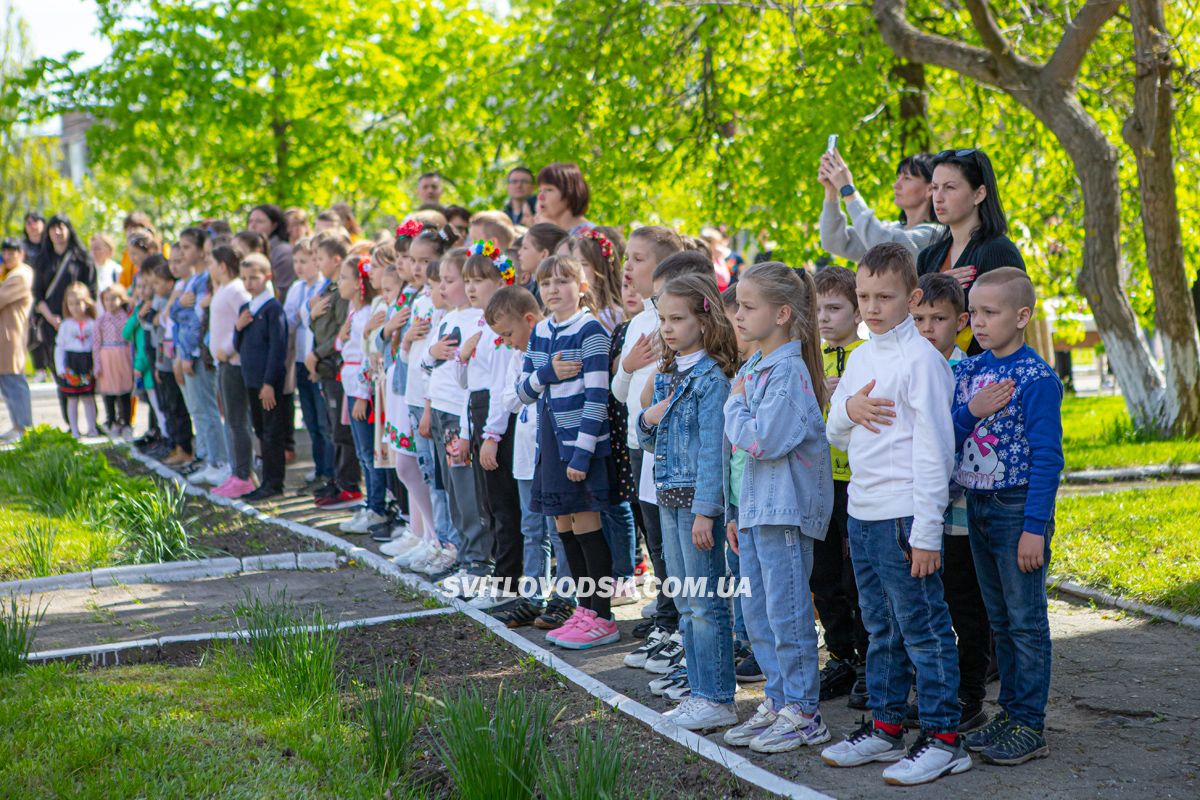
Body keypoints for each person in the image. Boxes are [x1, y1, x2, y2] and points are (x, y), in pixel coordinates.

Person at [822, 242, 969, 786]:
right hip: (862, 512)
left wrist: (928, 531)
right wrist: (850, 409)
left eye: (885, 296)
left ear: (911, 297)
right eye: (863, 296)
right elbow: (835, 427)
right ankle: (885, 726)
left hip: (908, 518)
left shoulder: (923, 362)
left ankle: (944, 738)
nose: (872, 307)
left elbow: (937, 451)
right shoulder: (862, 355)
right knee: (880, 626)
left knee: (924, 628)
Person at [951, 267, 1063, 766]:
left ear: (1022, 317)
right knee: (999, 619)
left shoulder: (1037, 378)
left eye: (989, 312)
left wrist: (1034, 528)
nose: (977, 321)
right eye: (973, 312)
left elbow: (1048, 458)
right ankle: (1010, 713)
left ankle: (1029, 723)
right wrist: (970, 411)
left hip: (1017, 509)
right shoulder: (970, 372)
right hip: (975, 504)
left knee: (1025, 621)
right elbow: (949, 436)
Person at [720, 261, 833, 752]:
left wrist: (733, 405)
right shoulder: (754, 367)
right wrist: (733, 513)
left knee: (786, 615)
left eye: (748, 307)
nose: (738, 317)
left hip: (784, 513)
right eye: (738, 306)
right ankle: (779, 698)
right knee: (759, 614)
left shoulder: (787, 372)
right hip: (756, 513)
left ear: (783, 313)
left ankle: (805, 712)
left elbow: (762, 440)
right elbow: (738, 456)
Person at [637, 273, 739, 731]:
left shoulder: (710, 379)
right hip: (668, 497)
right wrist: (645, 417)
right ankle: (698, 691)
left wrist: (706, 511)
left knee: (705, 601)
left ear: (703, 318)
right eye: (663, 320)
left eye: (677, 319)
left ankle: (718, 696)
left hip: (696, 505)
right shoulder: (668, 373)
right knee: (683, 598)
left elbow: (714, 452)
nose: (668, 328)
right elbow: (651, 441)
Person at [517, 254, 617, 650]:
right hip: (551, 445)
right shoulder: (541, 330)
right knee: (563, 527)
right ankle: (582, 607)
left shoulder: (591, 330)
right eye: (546, 284)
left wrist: (582, 453)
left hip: (579, 447)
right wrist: (547, 374)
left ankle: (602, 613)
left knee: (587, 525)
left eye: (562, 282)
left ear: (582, 286)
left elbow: (597, 397)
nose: (553, 290)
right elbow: (523, 390)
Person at [912, 272, 993, 733]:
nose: (927, 328)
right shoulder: (907, 368)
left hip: (960, 511)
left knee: (965, 603)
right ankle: (935, 689)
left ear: (960, 321)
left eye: (938, 319)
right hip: (921, 510)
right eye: (919, 318)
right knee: (929, 603)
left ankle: (970, 694)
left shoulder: (969, 372)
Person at [612, 226, 684, 640]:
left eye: (638, 259)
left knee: (672, 537)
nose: (628, 267)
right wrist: (628, 363)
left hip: (669, 445)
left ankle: (676, 617)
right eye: (627, 257)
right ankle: (666, 609)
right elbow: (618, 394)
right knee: (653, 535)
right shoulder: (637, 321)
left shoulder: (670, 320)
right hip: (639, 443)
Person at [811, 265, 869, 709]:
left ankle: (871, 662)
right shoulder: (811, 360)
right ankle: (840, 655)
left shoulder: (868, 356)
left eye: (835, 308)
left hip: (858, 481)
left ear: (858, 311)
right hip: (819, 480)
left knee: (857, 578)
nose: (825, 318)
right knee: (823, 573)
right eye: (818, 309)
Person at [458, 241, 523, 607]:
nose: (471, 288)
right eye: (468, 280)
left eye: (480, 279)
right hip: (481, 413)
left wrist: (491, 436)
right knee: (489, 502)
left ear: (501, 280)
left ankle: (509, 581)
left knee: (503, 503)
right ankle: (502, 573)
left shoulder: (501, 327)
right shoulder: (476, 324)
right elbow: (468, 384)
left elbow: (502, 386)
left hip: (499, 420)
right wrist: (463, 358)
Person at [488, 285, 557, 627]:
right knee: (532, 530)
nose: (506, 340)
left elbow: (527, 393)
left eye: (509, 333)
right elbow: (509, 400)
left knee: (558, 531)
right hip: (525, 456)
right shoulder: (517, 356)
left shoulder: (547, 349)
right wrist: (529, 386)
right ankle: (533, 594)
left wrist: (528, 386)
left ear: (529, 320)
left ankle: (567, 596)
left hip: (550, 455)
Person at [919, 148, 1025, 355]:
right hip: (932, 373)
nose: (938, 198)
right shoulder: (928, 257)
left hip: (986, 376)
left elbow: (1009, 325)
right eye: (935, 187)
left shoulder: (998, 251)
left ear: (979, 194)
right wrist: (936, 288)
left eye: (949, 187)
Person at [422, 247, 487, 581]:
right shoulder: (447, 318)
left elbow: (469, 381)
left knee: (466, 491)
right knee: (451, 490)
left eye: (451, 280)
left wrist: (463, 428)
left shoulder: (479, 320)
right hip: (441, 413)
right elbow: (427, 363)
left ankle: (478, 561)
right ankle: (465, 557)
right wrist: (432, 352)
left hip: (459, 418)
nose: (443, 287)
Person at [306, 230, 363, 509]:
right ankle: (339, 479)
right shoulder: (327, 290)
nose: (316, 263)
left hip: (336, 366)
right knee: (332, 428)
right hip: (325, 367)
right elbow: (320, 327)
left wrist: (317, 354)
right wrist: (311, 314)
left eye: (320, 257)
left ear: (337, 259)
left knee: (342, 431)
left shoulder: (341, 293)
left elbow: (342, 332)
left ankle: (349, 484)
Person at [172, 227, 229, 487]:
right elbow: (175, 313)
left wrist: (190, 351)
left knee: (208, 409)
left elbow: (196, 320)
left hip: (199, 353)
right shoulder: (194, 280)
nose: (183, 253)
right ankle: (211, 459)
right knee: (201, 409)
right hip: (191, 351)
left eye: (187, 247)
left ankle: (220, 461)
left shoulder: (204, 281)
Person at [235, 254, 289, 501]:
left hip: (268, 382)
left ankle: (274, 481)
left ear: (267, 277)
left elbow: (278, 349)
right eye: (244, 278)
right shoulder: (246, 309)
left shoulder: (272, 309)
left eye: (254, 278)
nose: (249, 283)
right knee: (260, 430)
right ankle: (265, 479)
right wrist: (239, 327)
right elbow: (239, 346)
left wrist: (269, 383)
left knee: (272, 432)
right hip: (251, 380)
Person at [820, 151, 941, 261]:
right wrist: (831, 191)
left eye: (907, 178)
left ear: (930, 189)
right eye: (898, 177)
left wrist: (848, 190)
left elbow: (885, 248)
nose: (896, 185)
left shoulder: (936, 235)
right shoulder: (892, 229)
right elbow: (833, 242)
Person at [33, 215, 97, 405]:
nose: (58, 232)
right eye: (53, 228)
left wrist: (80, 317)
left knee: (86, 371)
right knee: (61, 372)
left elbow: (91, 291)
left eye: (61, 227)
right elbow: (37, 295)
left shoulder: (82, 259)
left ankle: (92, 421)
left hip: (81, 326)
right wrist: (51, 318)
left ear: (69, 229)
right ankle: (70, 422)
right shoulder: (42, 260)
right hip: (52, 324)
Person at [209, 245, 256, 499]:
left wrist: (228, 348)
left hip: (234, 363)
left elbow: (246, 319)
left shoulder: (236, 289)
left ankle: (243, 475)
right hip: (224, 363)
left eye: (212, 262)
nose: (209, 268)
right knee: (231, 419)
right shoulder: (225, 289)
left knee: (238, 421)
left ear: (223, 266)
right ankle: (237, 471)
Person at [288, 237, 334, 488]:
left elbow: (309, 319)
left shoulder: (323, 288)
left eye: (306, 261)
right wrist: (306, 309)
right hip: (300, 359)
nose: (300, 266)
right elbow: (291, 319)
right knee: (311, 421)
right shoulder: (297, 288)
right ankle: (319, 468)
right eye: (296, 261)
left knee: (323, 420)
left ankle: (329, 470)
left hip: (317, 360)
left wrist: (304, 311)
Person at [54, 282, 100, 437]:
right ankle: (74, 429)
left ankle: (92, 428)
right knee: (72, 399)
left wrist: (97, 365)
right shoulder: (66, 325)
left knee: (88, 398)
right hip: (71, 364)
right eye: (71, 304)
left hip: (87, 362)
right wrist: (60, 368)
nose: (75, 307)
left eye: (79, 303)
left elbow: (96, 346)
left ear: (86, 303)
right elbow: (59, 347)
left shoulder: (93, 324)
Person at [0, 238, 34, 441]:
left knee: (14, 381)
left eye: (13, 252)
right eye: (5, 252)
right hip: (4, 336)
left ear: (21, 253)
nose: (8, 256)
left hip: (11, 335)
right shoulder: (9, 273)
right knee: (6, 382)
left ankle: (25, 428)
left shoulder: (21, 275)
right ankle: (17, 425)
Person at [93, 285, 135, 438]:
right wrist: (97, 364)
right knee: (108, 392)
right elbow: (96, 343)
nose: (110, 303)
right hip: (107, 357)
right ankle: (111, 421)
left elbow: (130, 339)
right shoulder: (101, 320)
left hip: (122, 356)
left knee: (124, 392)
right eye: (107, 300)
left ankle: (126, 422)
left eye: (113, 299)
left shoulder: (125, 318)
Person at [248, 204, 296, 291]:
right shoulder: (248, 250)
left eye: (259, 221)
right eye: (250, 221)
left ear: (274, 225)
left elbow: (282, 290)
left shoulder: (284, 252)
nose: (253, 226)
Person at [516, 223, 568, 303]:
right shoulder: (533, 286)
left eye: (525, 248)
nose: (519, 252)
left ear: (544, 254)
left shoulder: (553, 294)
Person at [535, 163, 592, 233]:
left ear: (570, 193)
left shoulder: (590, 237)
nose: (540, 197)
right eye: (540, 190)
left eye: (549, 190)